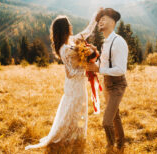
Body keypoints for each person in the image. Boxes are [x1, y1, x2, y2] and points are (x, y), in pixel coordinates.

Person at [25, 13, 98, 151]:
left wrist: (95, 17)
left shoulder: (71, 41)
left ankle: (76, 135)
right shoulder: (64, 49)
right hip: (74, 84)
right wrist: (86, 69)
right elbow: (70, 73)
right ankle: (67, 136)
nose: (71, 26)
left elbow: (86, 32)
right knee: (72, 109)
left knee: (77, 109)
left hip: (78, 84)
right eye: (69, 24)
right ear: (65, 29)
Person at [86, 8, 128, 152]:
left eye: (103, 19)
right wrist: (92, 63)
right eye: (99, 20)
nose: (100, 22)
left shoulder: (118, 42)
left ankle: (111, 147)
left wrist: (99, 70)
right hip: (107, 83)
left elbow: (121, 69)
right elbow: (103, 65)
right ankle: (121, 145)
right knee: (115, 117)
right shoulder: (105, 43)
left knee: (106, 122)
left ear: (113, 22)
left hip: (117, 85)